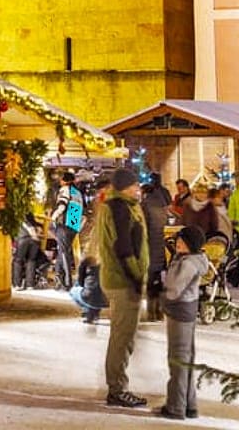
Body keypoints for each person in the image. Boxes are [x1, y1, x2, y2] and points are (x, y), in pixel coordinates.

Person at [97, 167, 149, 409]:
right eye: (135, 184)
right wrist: (137, 277)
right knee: (122, 336)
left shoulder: (119, 205)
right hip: (123, 280)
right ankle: (117, 388)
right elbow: (123, 247)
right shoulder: (118, 208)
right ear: (124, 187)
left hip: (117, 277)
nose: (138, 188)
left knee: (123, 335)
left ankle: (117, 385)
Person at [157, 225, 210, 420]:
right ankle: (189, 404)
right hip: (186, 309)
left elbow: (174, 289)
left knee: (178, 359)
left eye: (182, 240)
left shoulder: (187, 263)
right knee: (186, 358)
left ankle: (176, 407)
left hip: (180, 310)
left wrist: (161, 296)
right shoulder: (188, 259)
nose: (178, 243)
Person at [142, 176, 172, 320]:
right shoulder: (161, 205)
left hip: (150, 247)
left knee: (151, 280)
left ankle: (151, 312)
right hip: (161, 247)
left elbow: (141, 228)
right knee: (158, 280)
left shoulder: (145, 205)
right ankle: (159, 311)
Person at [51, 170, 84, 289]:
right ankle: (59, 277)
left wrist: (53, 217)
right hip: (74, 226)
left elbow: (62, 205)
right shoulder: (78, 193)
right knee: (62, 250)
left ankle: (68, 281)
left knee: (64, 252)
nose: (60, 181)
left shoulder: (65, 189)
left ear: (65, 181)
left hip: (64, 224)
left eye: (61, 179)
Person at [69, 253, 109, 324]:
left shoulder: (85, 266)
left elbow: (80, 283)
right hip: (107, 301)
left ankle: (87, 311)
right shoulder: (107, 266)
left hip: (89, 298)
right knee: (97, 290)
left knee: (73, 291)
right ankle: (94, 312)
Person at [12, 210, 47, 289]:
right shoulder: (33, 219)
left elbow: (27, 226)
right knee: (31, 261)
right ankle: (30, 285)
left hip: (23, 239)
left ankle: (17, 284)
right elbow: (38, 228)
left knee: (18, 261)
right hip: (34, 241)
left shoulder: (19, 218)